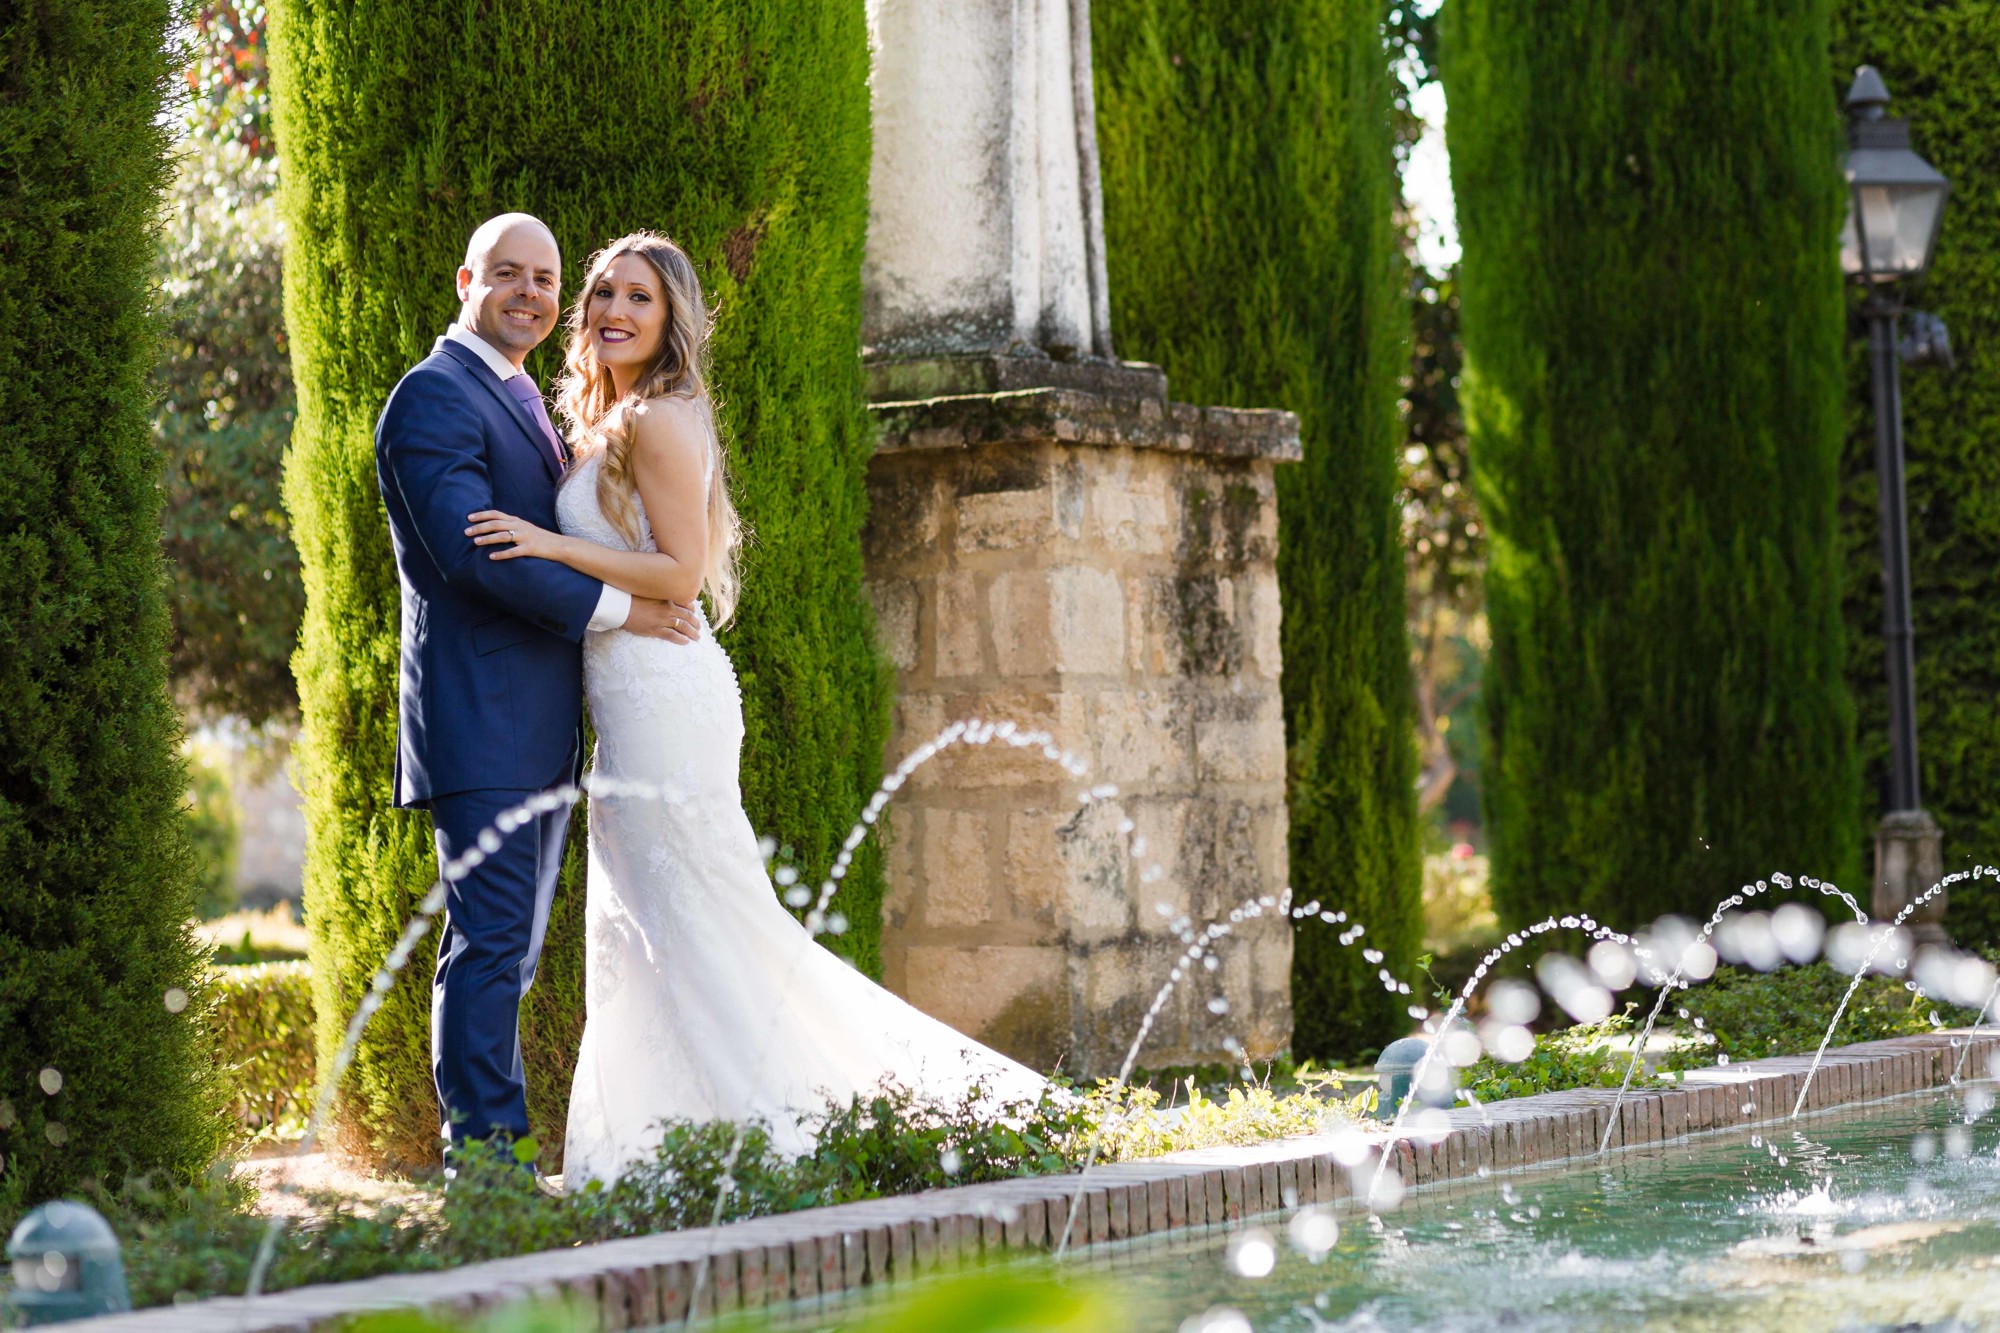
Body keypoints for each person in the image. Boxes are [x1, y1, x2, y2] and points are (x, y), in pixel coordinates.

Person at [463, 231, 1044, 1185]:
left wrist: (548, 543)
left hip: (664, 693)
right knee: (646, 922)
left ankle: (798, 1129)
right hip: (630, 694)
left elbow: (680, 575)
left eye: (639, 298)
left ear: (672, 320)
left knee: (699, 910)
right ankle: (662, 1150)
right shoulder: (610, 418)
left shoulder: (659, 418)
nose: (613, 310)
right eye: (603, 292)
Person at [375, 214, 701, 1175]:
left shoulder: (520, 395)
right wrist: (624, 610)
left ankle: (502, 1165)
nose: (530, 292)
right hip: (484, 718)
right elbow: (478, 558)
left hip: (541, 721)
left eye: (546, 278)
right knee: (488, 945)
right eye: (508, 273)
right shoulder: (434, 395)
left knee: (508, 951)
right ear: (466, 280)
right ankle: (488, 1173)